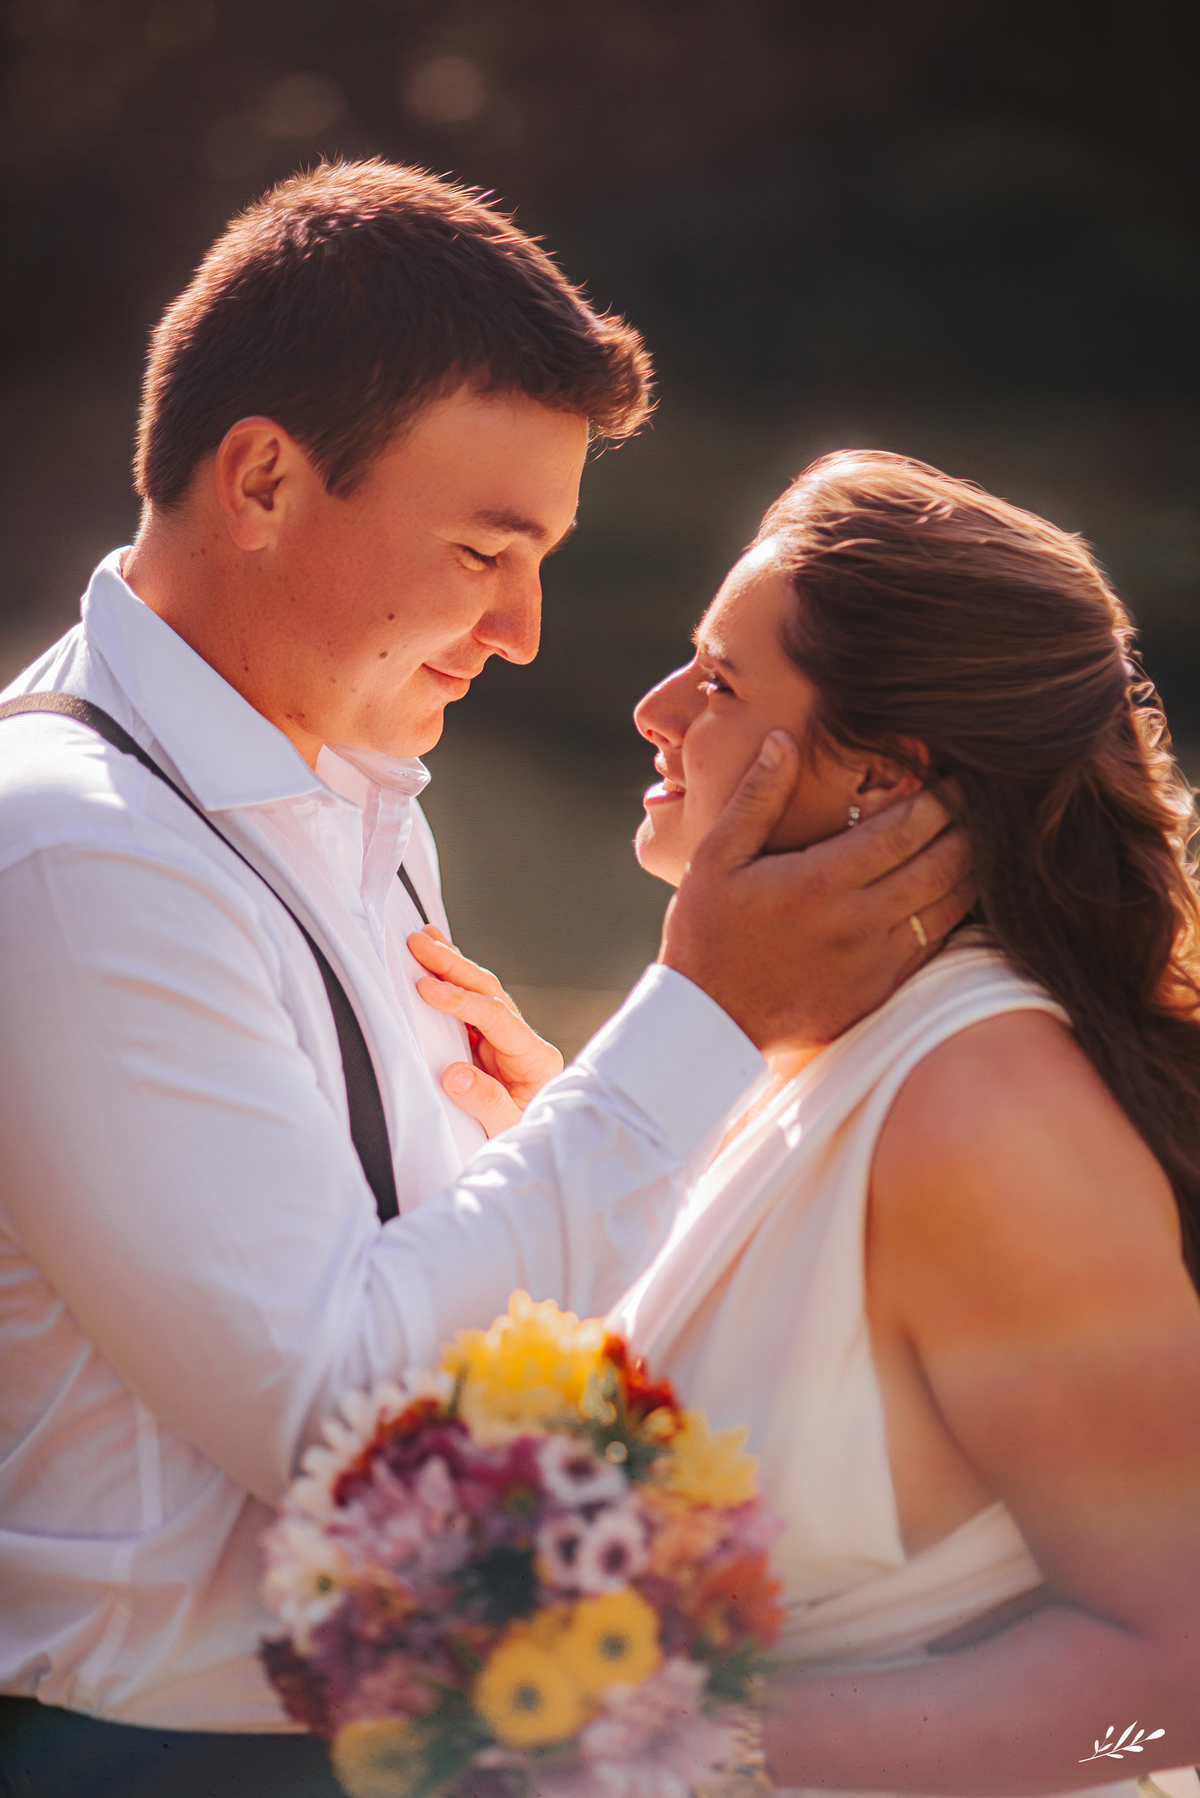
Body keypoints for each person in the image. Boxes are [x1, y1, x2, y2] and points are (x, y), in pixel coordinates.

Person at [0, 166, 966, 1795]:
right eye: (481, 549)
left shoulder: (345, 781)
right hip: (165, 1761)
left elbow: (432, 1292)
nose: (522, 629)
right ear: (262, 482)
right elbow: (339, 1423)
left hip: (418, 1725)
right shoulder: (77, 861)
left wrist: (571, 1117)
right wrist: (701, 1020)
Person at [430, 451, 1200, 1797]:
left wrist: (686, 1742)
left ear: (884, 782)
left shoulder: (987, 1110)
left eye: (721, 683)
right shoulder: (813, 1054)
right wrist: (573, 1126)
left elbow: (1175, 1672)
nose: (656, 707)